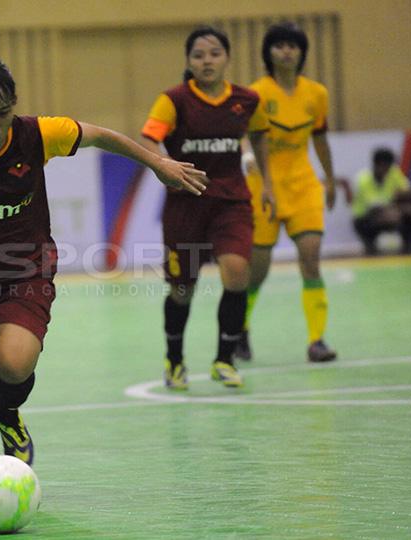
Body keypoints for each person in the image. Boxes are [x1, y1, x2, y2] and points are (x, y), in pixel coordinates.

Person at [0, 58, 207, 500]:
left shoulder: (36, 134)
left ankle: (7, 410)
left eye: (2, 112)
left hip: (24, 268)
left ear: (14, 107)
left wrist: (155, 163)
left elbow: (101, 135)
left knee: (14, 362)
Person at [140, 26, 273, 390]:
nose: (207, 61)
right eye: (198, 55)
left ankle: (224, 360)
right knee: (182, 289)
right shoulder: (173, 100)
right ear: (189, 62)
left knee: (237, 272)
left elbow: (260, 137)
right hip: (186, 206)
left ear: (227, 57)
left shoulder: (247, 100)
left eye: (214, 53)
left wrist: (268, 185)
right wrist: (167, 166)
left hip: (231, 202)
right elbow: (149, 137)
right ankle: (175, 360)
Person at [237, 22, 338, 364]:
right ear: (268, 53)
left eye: (292, 46)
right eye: (279, 46)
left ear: (302, 52)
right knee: (258, 270)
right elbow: (242, 133)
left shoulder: (317, 94)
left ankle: (317, 340)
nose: (286, 51)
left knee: (311, 258)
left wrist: (330, 177)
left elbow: (321, 138)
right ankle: (241, 328)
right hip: (263, 186)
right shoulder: (256, 93)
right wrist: (248, 157)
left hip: (304, 184)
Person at [351, 148, 411, 255]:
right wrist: (395, 206)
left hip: (391, 212)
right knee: (389, 214)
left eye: (389, 166)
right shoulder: (363, 179)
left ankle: (408, 246)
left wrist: (405, 196)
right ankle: (371, 246)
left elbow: (409, 192)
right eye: (384, 166)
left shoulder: (393, 173)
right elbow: (374, 206)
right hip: (365, 218)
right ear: (376, 165)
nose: (387, 170)